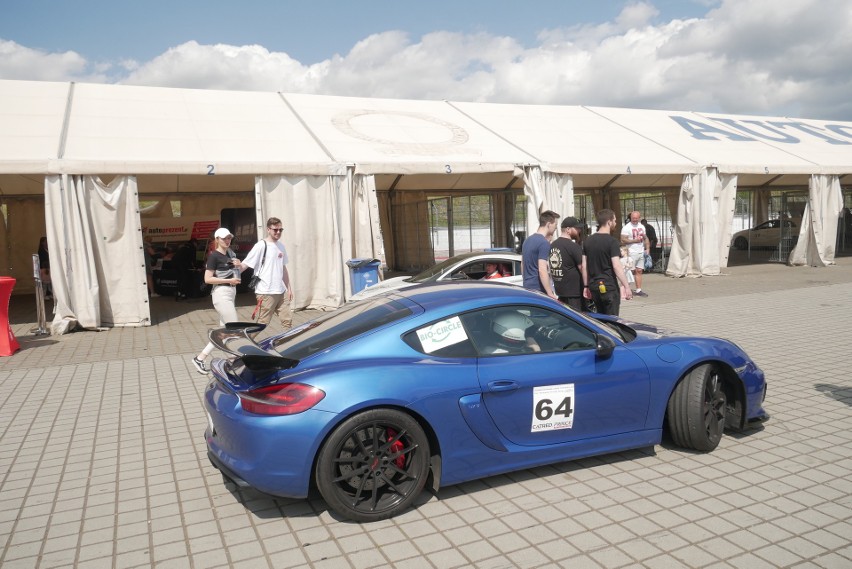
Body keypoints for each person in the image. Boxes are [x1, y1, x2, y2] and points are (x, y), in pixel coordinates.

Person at [192, 228, 242, 374]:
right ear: (217, 239)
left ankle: (200, 358)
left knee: (223, 332)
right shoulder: (214, 256)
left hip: (231, 293)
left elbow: (237, 272)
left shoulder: (231, 254)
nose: (227, 241)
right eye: (224, 238)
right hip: (221, 293)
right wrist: (228, 279)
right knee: (234, 329)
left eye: (229, 238)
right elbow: (207, 279)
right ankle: (234, 360)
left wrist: (238, 265)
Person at [241, 217, 293, 330]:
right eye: (275, 230)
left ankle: (288, 345)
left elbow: (283, 268)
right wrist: (232, 275)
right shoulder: (260, 245)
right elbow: (245, 264)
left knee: (287, 321)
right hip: (266, 292)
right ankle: (246, 342)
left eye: (280, 230)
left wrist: (289, 289)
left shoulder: (281, 246)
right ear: (268, 229)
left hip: (281, 291)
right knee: (262, 323)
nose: (278, 232)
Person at [582, 209, 633, 316]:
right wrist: (626, 286)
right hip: (609, 286)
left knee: (600, 319)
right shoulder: (612, 242)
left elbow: (584, 266)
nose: (615, 223)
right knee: (612, 320)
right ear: (609, 222)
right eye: (614, 220)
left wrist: (586, 286)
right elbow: (616, 266)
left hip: (594, 286)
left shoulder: (587, 241)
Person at [549, 216, 585, 311]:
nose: (579, 231)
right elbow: (583, 268)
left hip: (560, 291)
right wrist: (587, 285)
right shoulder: (573, 247)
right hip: (574, 293)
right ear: (568, 229)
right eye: (577, 228)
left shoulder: (553, 245)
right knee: (578, 320)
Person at [521, 210, 560, 300]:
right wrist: (550, 293)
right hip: (539, 289)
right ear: (549, 224)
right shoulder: (543, 243)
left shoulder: (527, 240)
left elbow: (522, 264)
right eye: (555, 225)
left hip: (527, 287)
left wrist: (526, 281)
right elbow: (542, 270)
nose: (556, 228)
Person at [620, 211, 650, 296]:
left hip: (640, 251)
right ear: (631, 218)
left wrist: (647, 248)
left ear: (639, 218)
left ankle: (638, 290)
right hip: (631, 252)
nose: (635, 220)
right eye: (633, 218)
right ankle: (625, 289)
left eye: (636, 218)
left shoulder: (641, 226)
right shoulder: (626, 227)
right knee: (629, 271)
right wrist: (634, 241)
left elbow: (645, 237)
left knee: (639, 270)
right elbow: (622, 240)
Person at [37, 236, 52, 301]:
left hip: (48, 267)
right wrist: (45, 267)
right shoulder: (41, 250)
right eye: (45, 241)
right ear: (42, 243)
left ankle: (49, 294)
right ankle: (44, 295)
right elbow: (42, 260)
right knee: (45, 283)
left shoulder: (47, 249)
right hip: (44, 268)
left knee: (49, 283)